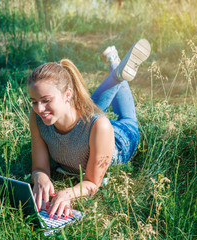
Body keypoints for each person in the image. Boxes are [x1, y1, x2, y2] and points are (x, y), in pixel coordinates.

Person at [28, 39, 151, 219]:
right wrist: (41, 177)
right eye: (34, 101)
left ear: (68, 94)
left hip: (119, 141)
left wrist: (68, 193)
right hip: (88, 127)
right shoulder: (37, 116)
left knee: (127, 119)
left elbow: (93, 182)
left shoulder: (99, 125)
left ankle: (118, 72)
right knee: (90, 109)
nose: (39, 109)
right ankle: (116, 69)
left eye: (46, 100)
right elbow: (39, 167)